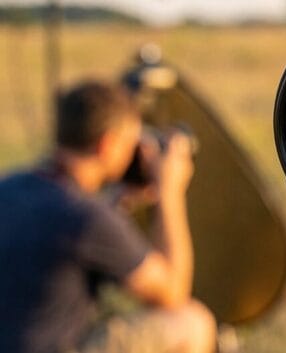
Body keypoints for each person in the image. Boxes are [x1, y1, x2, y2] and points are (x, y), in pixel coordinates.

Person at [0, 80, 216, 353]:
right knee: (191, 323)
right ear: (107, 145)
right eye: (131, 142)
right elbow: (173, 291)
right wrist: (170, 192)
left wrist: (118, 202)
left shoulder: (9, 187)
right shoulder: (87, 218)